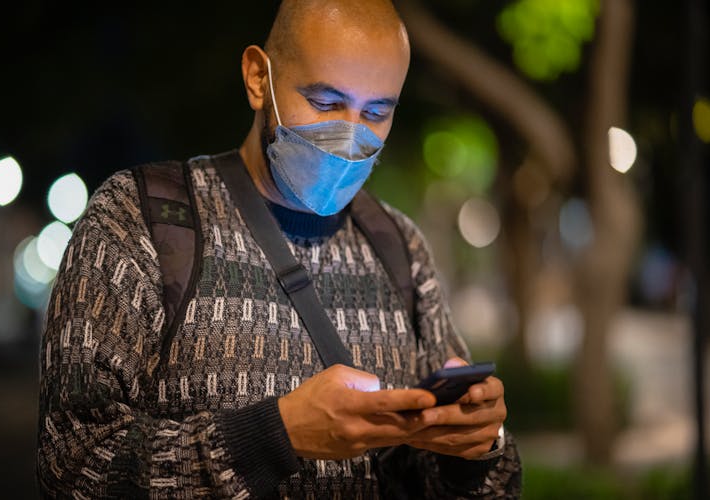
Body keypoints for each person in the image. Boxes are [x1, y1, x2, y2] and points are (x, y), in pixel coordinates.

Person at [36, 0, 522, 498]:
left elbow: (475, 485)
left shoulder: (400, 246)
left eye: (376, 113)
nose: (350, 138)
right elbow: (74, 465)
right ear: (255, 78)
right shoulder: (139, 220)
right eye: (327, 104)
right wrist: (277, 436)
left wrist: (476, 450)